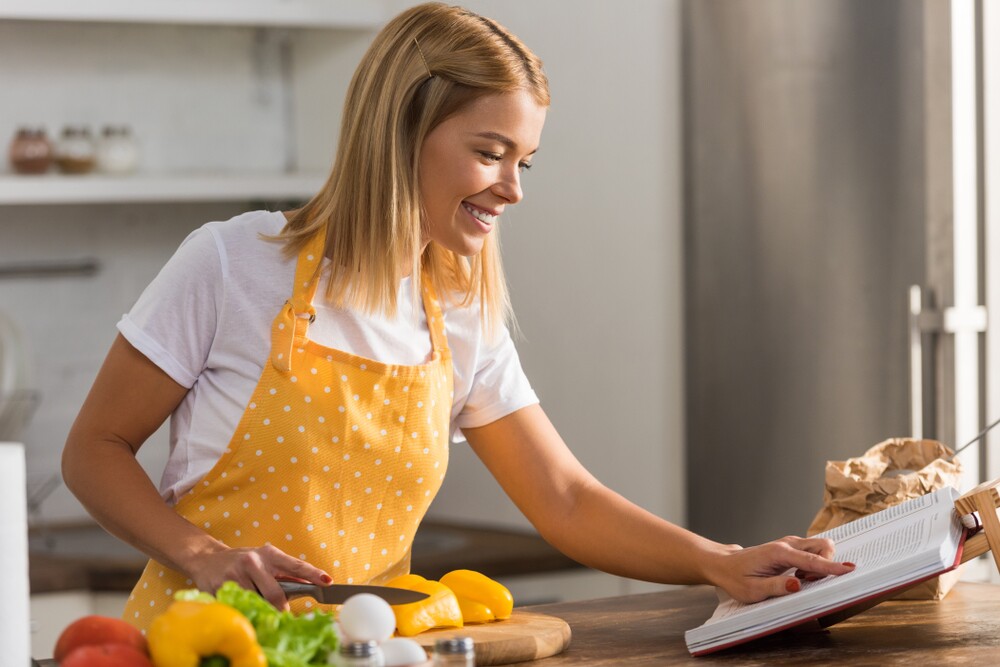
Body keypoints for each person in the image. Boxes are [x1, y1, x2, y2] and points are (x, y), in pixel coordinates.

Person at [62, 1, 854, 631]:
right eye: (490, 151)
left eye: (525, 161)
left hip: (363, 655)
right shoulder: (233, 263)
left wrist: (721, 560)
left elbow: (565, 498)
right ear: (402, 129)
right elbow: (94, 450)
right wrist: (202, 553)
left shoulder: (459, 312)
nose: (513, 188)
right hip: (198, 648)